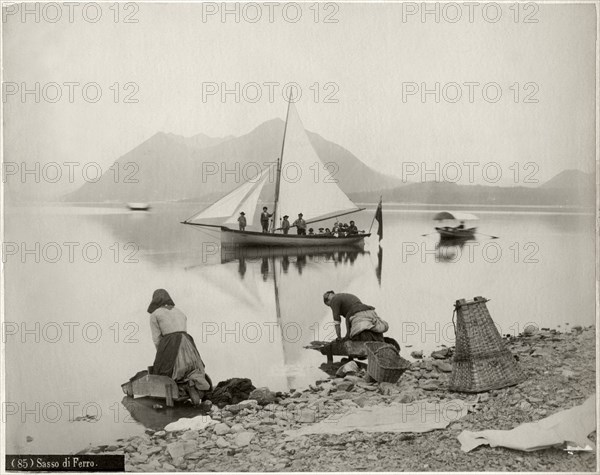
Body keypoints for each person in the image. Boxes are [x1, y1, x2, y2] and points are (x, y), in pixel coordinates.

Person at [147, 289, 212, 405]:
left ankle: (185, 386)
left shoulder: (155, 314)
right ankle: (194, 384)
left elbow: (156, 339)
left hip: (171, 345)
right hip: (188, 343)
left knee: (163, 371)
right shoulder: (180, 312)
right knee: (192, 369)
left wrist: (162, 356)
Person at [322, 291, 389, 342]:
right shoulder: (344, 296)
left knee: (355, 336)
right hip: (369, 312)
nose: (331, 307)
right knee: (372, 329)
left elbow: (337, 322)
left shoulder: (334, 300)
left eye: (329, 305)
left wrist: (339, 337)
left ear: (328, 300)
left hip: (358, 315)